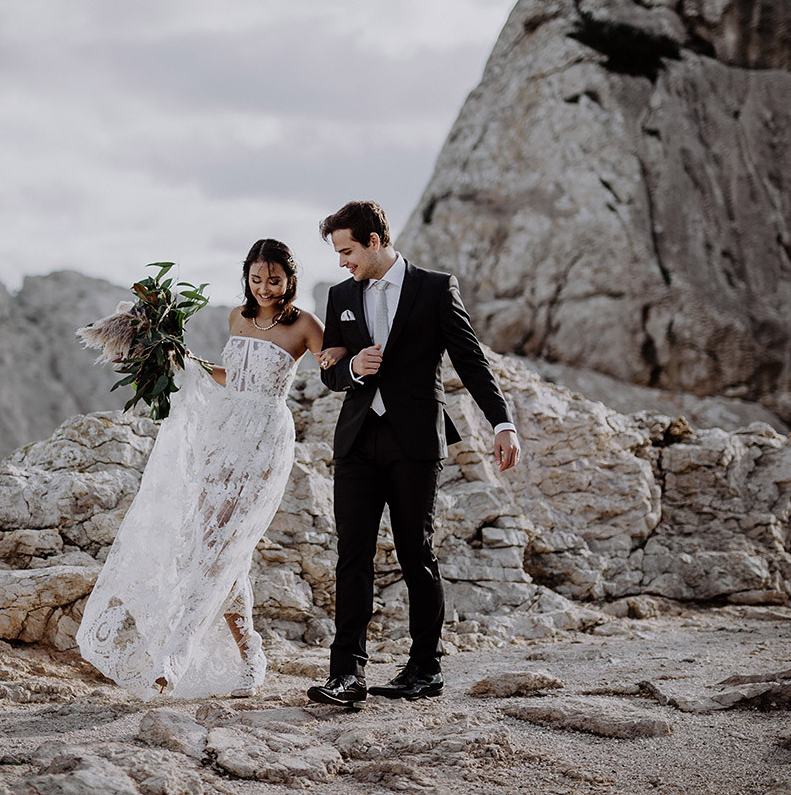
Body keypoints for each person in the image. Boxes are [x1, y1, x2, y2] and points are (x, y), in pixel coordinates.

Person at [78, 238, 326, 699]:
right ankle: (250, 652)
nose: (265, 287)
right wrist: (187, 362)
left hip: (266, 439)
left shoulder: (305, 324)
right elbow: (234, 376)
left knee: (228, 544)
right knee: (212, 547)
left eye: (274, 280)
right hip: (223, 434)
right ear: (247, 278)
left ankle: (176, 656)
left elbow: (331, 366)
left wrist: (343, 359)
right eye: (256, 279)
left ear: (290, 279)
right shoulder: (237, 318)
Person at [306, 200, 521, 709]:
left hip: (415, 442)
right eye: (338, 253)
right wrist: (353, 367)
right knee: (351, 557)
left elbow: (470, 360)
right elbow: (330, 370)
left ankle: (425, 669)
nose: (342, 262)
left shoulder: (434, 287)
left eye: (348, 251)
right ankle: (347, 677)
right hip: (357, 440)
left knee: (416, 555)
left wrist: (503, 423)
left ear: (375, 241)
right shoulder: (341, 296)